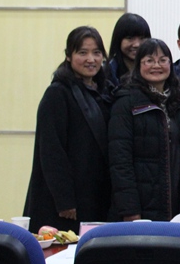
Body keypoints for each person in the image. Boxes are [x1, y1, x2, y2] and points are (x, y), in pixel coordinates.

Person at [24, 26, 113, 233]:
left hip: (93, 194)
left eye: (96, 53)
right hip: (64, 204)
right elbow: (51, 151)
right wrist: (65, 200)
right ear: (68, 56)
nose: (91, 59)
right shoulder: (58, 93)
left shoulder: (103, 92)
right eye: (82, 52)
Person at [108, 39, 180, 221]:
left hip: (175, 204)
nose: (156, 66)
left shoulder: (179, 102)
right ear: (138, 65)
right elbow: (120, 161)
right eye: (149, 60)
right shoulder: (126, 102)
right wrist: (129, 209)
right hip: (140, 206)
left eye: (162, 60)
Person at [104, 13, 151, 87]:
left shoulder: (155, 69)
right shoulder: (108, 72)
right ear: (118, 40)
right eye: (130, 38)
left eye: (142, 38)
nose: (137, 44)